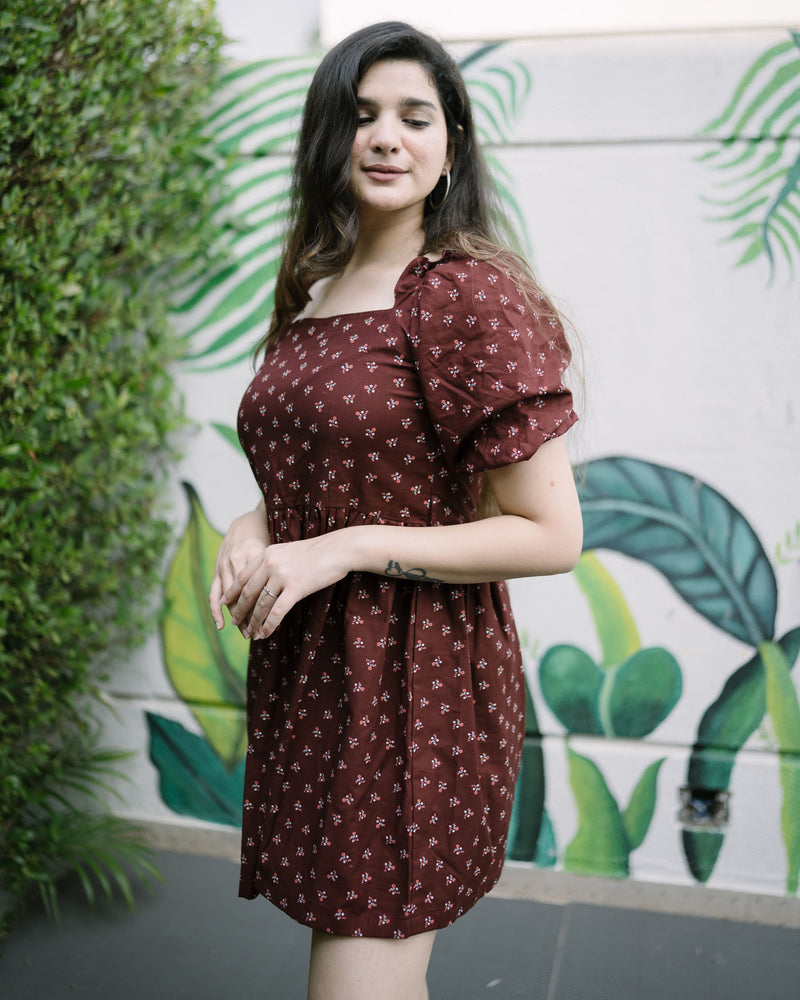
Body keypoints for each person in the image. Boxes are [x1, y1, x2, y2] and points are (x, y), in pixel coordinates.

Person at [208, 21, 582, 1000]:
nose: (384, 136)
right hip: (313, 683)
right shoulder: (317, 286)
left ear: (449, 143)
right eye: (360, 115)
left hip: (412, 688)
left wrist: (338, 550)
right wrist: (253, 528)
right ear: (326, 140)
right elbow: (316, 465)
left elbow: (550, 536)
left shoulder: (462, 295)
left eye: (413, 116)